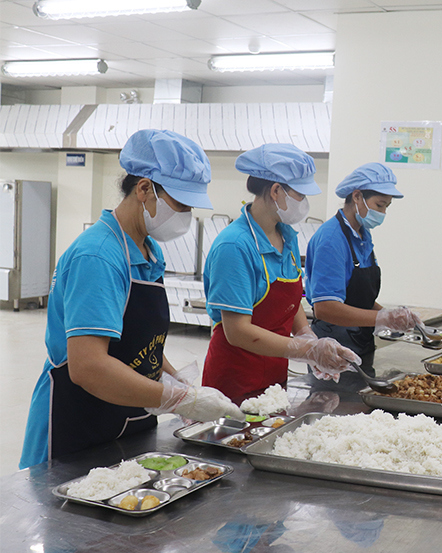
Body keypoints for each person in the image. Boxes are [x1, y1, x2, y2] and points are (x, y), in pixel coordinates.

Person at [20, 129, 243, 469]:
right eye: (180, 204)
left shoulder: (146, 251)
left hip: (128, 416)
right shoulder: (98, 257)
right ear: (144, 189)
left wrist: (177, 381)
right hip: (79, 423)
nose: (185, 215)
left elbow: (138, 342)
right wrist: (180, 400)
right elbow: (89, 366)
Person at [202, 144, 358, 404]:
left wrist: (306, 335)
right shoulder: (235, 246)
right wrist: (306, 350)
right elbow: (238, 332)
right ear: (276, 191)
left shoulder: (287, 236)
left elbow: (291, 298)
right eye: (300, 195)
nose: (305, 204)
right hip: (234, 379)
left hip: (274, 376)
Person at [305, 163, 421, 360]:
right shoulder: (331, 239)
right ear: (357, 196)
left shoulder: (362, 235)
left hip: (361, 340)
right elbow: (325, 307)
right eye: (379, 205)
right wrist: (383, 318)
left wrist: (391, 315)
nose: (383, 213)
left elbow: (358, 297)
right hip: (334, 345)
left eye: (387, 206)